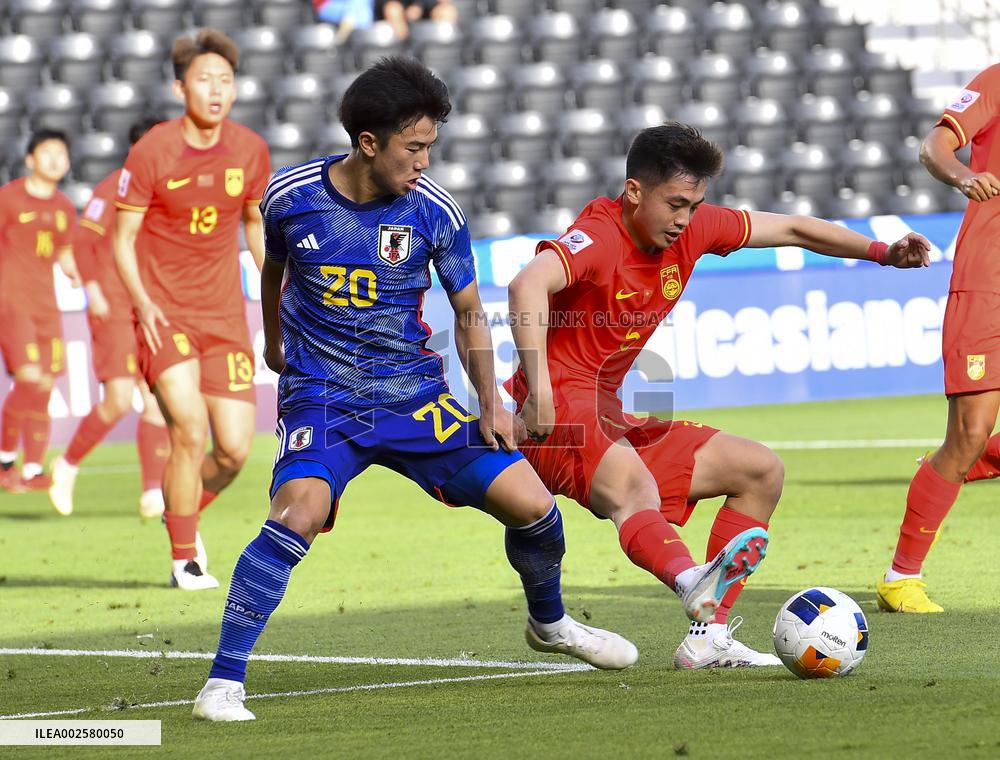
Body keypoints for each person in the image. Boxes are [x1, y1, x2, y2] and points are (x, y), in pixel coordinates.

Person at [185, 58, 754, 722]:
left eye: (431, 145)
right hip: (325, 399)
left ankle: (551, 624)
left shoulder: (434, 212)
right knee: (297, 514)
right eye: (414, 146)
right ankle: (223, 683)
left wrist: (489, 400)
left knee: (535, 507)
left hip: (415, 398)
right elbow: (274, 269)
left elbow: (466, 312)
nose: (425, 160)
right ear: (369, 143)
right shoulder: (290, 196)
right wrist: (275, 344)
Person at [506, 122, 932, 668]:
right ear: (634, 192)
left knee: (758, 471)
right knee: (632, 487)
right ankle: (691, 581)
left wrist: (880, 251)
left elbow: (797, 230)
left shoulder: (696, 227)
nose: (685, 220)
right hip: (551, 410)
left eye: (695, 205)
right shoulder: (600, 233)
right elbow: (526, 284)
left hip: (605, 409)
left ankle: (710, 637)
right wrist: (538, 389)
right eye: (675, 203)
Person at [113, 28, 271, 590]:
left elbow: (254, 224)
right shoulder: (153, 150)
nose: (216, 90)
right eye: (204, 79)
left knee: (233, 451)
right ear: (181, 87)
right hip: (165, 314)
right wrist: (143, 304)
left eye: (225, 81)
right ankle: (185, 559)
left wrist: (274, 280)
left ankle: (181, 511)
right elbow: (121, 238)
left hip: (225, 317)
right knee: (189, 429)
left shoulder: (250, 149)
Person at [877, 64, 1000, 613]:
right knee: (971, 434)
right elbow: (935, 146)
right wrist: (961, 176)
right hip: (987, 282)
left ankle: (942, 473)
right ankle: (901, 577)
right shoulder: (996, 79)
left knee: (966, 445)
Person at [48, 119, 171, 519]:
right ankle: (66, 465)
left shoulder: (170, 190)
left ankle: (152, 492)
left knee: (155, 401)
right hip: (114, 305)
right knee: (119, 399)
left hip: (147, 305)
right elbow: (84, 241)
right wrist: (94, 290)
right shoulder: (114, 185)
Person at [0, 128, 80, 492]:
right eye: (47, 152)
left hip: (48, 306)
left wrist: (74, 270)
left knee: (45, 385)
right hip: (13, 303)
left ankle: (31, 468)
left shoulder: (63, 206)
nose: (55, 160)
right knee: (29, 378)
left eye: (61, 154)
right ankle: (4, 462)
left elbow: (63, 251)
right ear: (31, 159)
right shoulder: (9, 199)